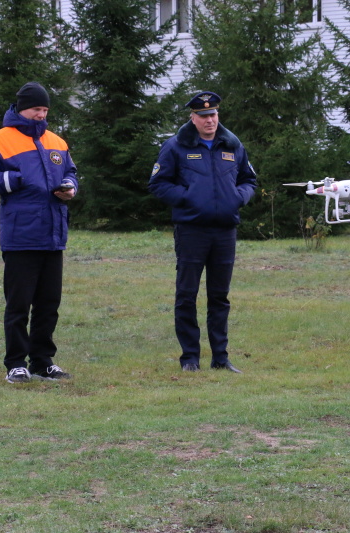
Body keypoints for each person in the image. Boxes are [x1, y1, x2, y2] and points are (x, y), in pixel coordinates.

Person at [0, 81, 78, 384]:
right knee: (19, 305)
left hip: (53, 236)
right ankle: (15, 363)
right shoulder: (0, 140)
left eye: (44, 110)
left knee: (48, 305)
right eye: (35, 109)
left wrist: (71, 188)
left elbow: (70, 171)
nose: (40, 115)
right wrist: (14, 179)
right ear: (21, 109)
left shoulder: (56, 141)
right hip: (21, 238)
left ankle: (43, 362)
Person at [149, 91, 257, 373]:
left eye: (214, 115)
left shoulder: (232, 145)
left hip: (224, 232)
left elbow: (249, 180)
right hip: (191, 230)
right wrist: (188, 198)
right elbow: (159, 184)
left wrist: (238, 197)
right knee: (187, 294)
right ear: (193, 118)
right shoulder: (176, 146)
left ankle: (220, 358)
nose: (210, 120)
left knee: (219, 296)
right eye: (204, 116)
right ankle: (190, 358)